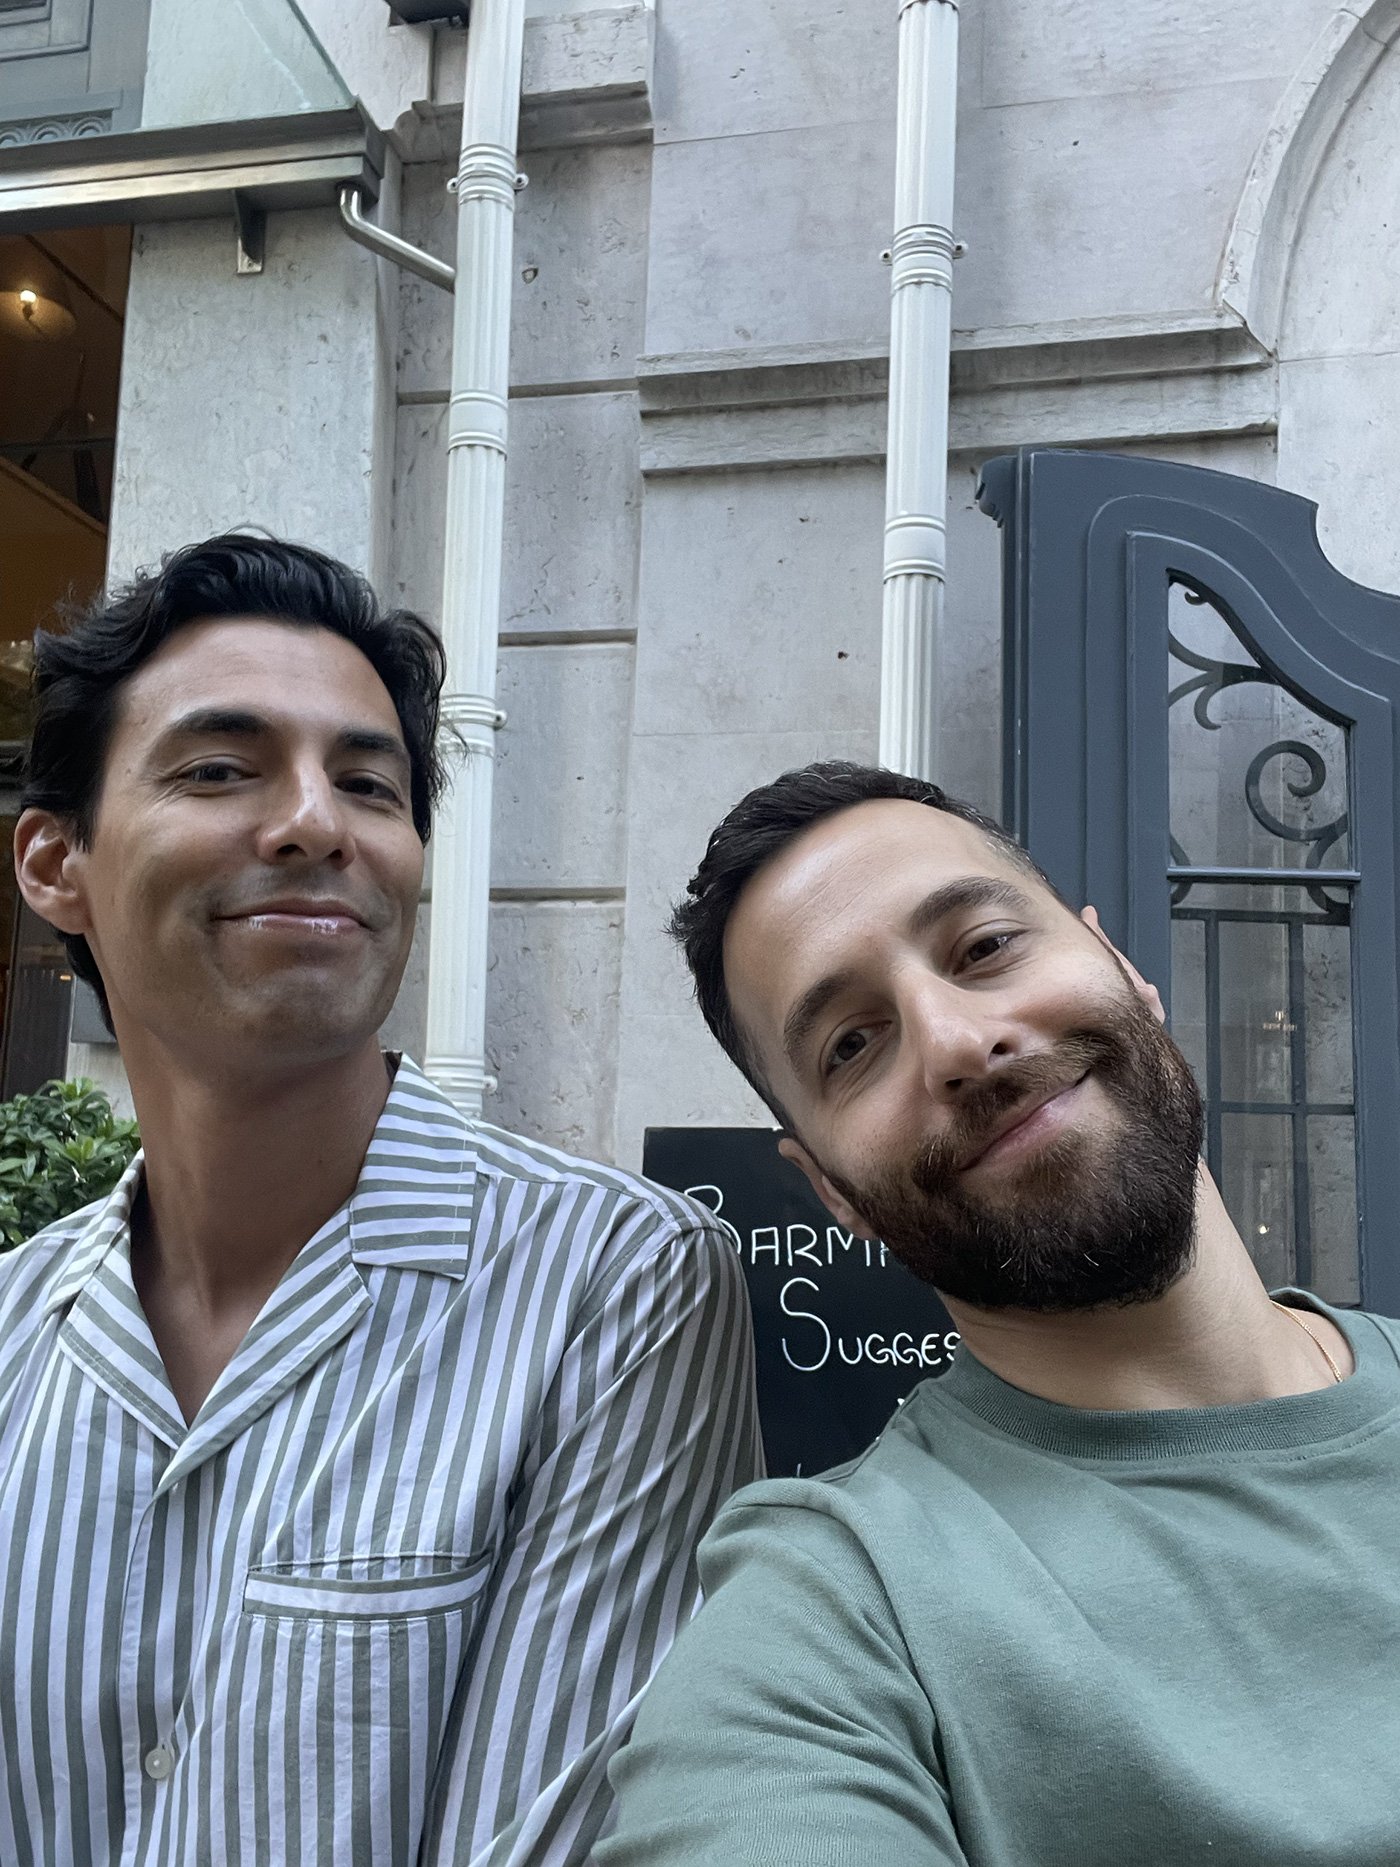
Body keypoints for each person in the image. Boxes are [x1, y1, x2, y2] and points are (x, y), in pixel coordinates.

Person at [0, 536, 761, 1867]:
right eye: (219, 769)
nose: (316, 822)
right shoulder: (15, 1328)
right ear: (56, 860)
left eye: (369, 783)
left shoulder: (616, 1283)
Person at [597, 760, 1400, 1867]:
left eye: (983, 947)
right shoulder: (832, 1615)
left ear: (1124, 970)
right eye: (850, 1045)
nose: (958, 1044)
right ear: (831, 1192)